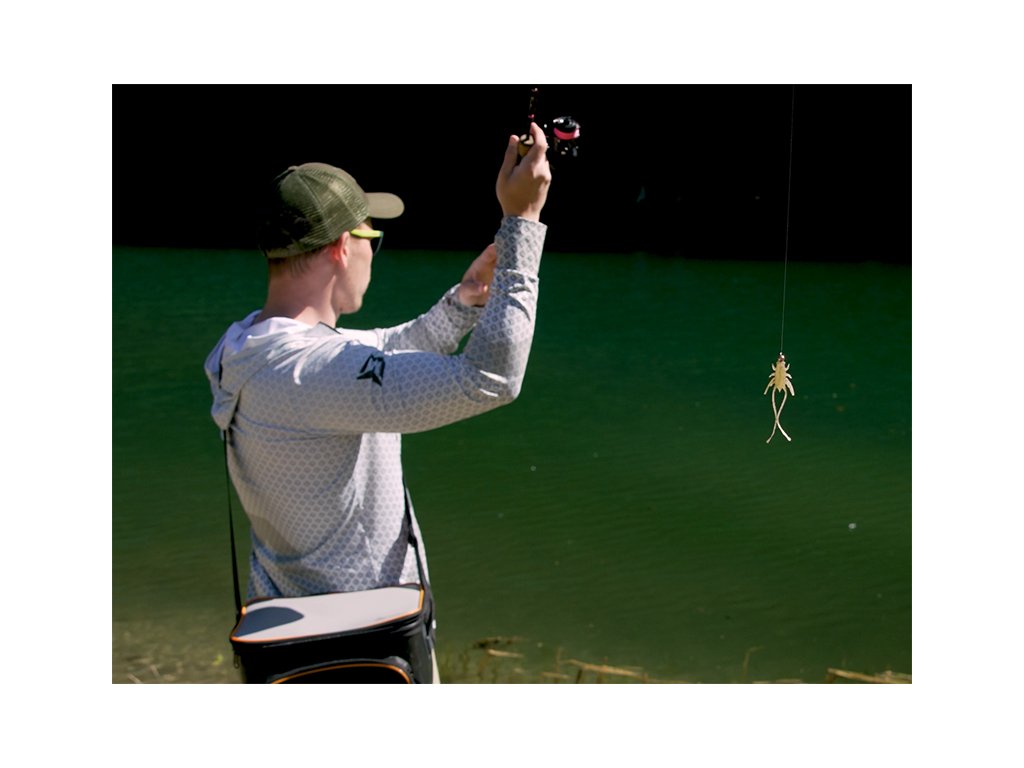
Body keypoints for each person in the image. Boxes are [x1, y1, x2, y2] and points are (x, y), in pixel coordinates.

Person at [203, 122, 551, 681]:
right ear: (343, 248)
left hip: (293, 647)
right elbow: (491, 378)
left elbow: (376, 353)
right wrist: (522, 228)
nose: (373, 252)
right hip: (364, 650)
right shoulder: (309, 373)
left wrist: (462, 303)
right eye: (372, 237)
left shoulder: (245, 347)